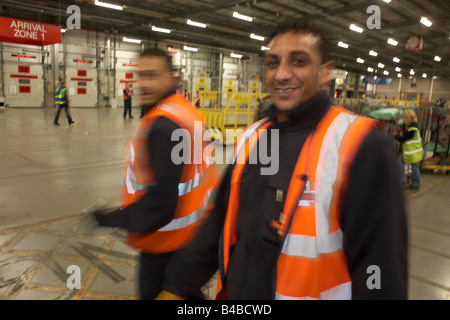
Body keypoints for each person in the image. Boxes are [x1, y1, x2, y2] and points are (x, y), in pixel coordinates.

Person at [158, 20, 407, 300]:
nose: (282, 74)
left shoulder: (360, 144)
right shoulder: (254, 137)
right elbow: (219, 220)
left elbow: (380, 264)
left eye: (298, 61)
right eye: (273, 63)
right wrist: (177, 285)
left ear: (325, 72)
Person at [92, 48, 219, 299]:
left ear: (172, 77)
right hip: (192, 236)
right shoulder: (184, 110)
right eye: (140, 76)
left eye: (152, 75)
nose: (143, 83)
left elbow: (161, 203)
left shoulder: (164, 124)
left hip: (165, 244)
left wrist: (115, 218)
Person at [394, 109, 423, 189]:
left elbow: (403, 138)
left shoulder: (413, 129)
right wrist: (400, 130)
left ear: (412, 119)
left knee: (412, 168)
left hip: (412, 153)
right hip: (407, 152)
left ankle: (415, 184)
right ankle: (401, 183)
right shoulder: (406, 126)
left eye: (407, 118)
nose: (404, 119)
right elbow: (404, 132)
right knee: (401, 166)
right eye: (404, 117)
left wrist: (396, 135)